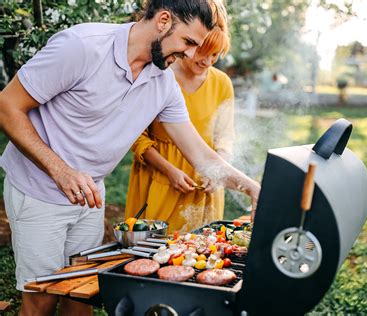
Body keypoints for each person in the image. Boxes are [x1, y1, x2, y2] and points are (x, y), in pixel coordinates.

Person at [0, 1, 260, 315]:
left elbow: (201, 155)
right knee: (41, 300)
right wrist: (61, 170)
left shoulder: (163, 82)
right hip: (39, 191)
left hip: (89, 197)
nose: (192, 55)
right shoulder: (82, 46)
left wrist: (251, 188)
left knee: (80, 294)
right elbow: (7, 106)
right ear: (164, 20)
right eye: (189, 42)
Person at [125, 23, 234, 232]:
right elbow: (136, 136)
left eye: (215, 55)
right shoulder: (160, 75)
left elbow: (225, 135)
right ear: (191, 45)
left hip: (204, 181)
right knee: (151, 249)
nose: (207, 61)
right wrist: (169, 171)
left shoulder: (222, 83)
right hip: (159, 175)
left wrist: (217, 171)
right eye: (203, 52)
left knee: (199, 252)